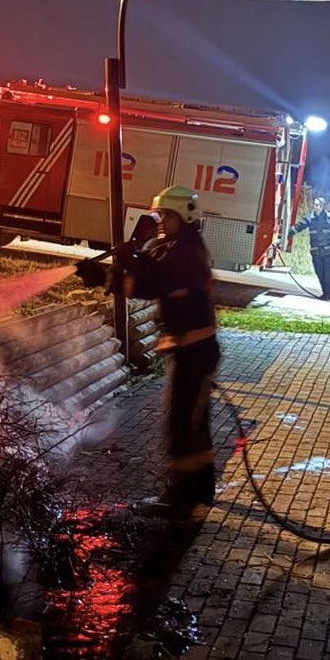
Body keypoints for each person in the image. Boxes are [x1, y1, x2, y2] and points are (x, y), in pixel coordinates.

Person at [75, 186, 220, 516]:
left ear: (183, 217)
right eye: (159, 215)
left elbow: (153, 281)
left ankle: (182, 498)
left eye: (166, 216)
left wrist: (125, 262)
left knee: (182, 425)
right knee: (191, 424)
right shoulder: (175, 245)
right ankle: (198, 492)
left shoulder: (186, 251)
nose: (160, 221)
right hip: (191, 350)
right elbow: (146, 272)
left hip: (195, 352)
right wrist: (106, 273)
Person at [285, 196, 330, 300]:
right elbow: (300, 226)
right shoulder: (310, 218)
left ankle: (328, 294)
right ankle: (325, 293)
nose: (317, 207)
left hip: (328, 252)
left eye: (319, 205)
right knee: (319, 273)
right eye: (315, 205)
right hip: (316, 252)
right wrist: (289, 232)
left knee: (327, 274)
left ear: (323, 206)